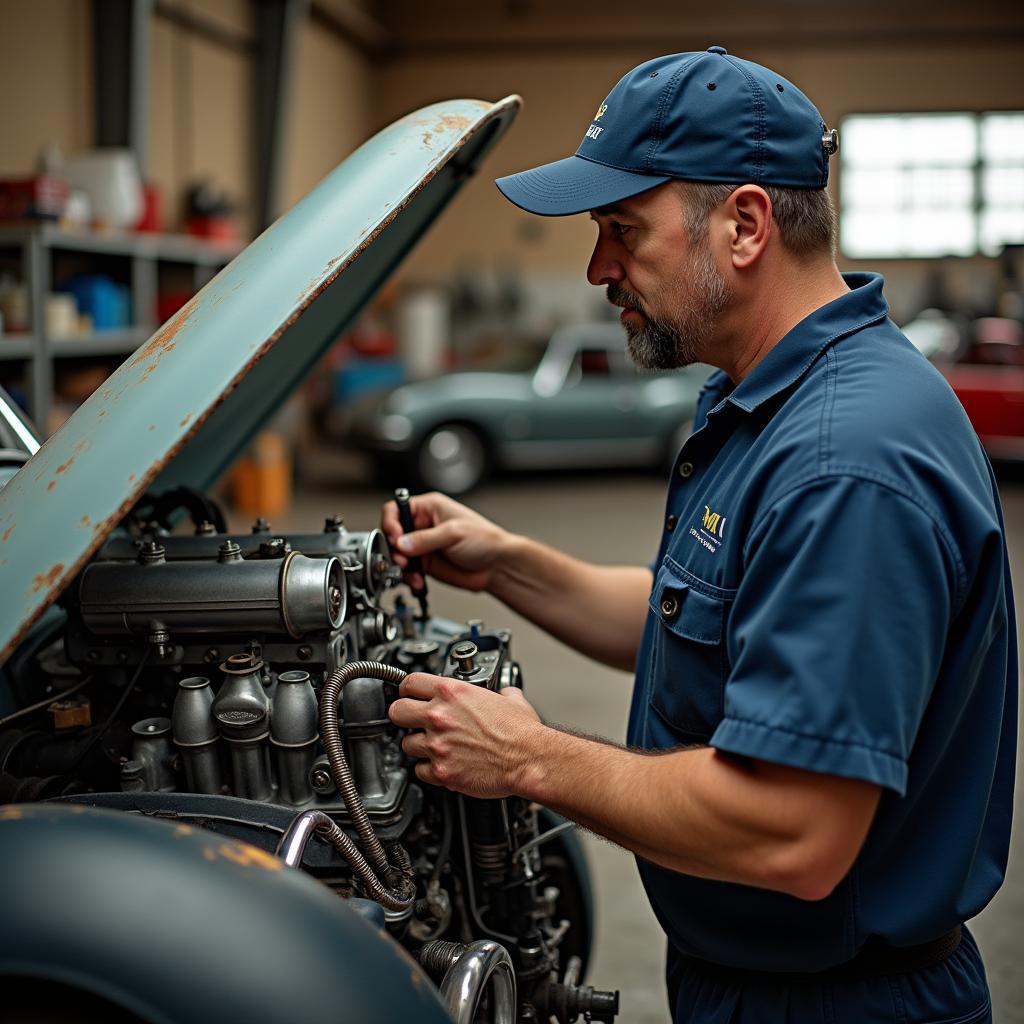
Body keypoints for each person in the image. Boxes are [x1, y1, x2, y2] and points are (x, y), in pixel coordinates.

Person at [384, 47, 1016, 1024]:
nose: (597, 268)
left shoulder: (844, 460)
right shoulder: (762, 396)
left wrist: (528, 757)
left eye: (622, 230)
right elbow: (710, 623)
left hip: (838, 1004)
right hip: (761, 985)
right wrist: (507, 563)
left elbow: (793, 832)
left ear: (746, 223)